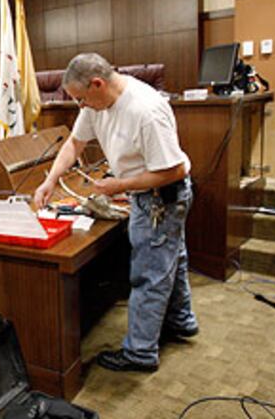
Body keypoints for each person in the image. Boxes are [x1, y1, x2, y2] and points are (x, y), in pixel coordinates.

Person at [34, 53, 198, 372]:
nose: (81, 106)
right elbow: (73, 145)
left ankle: (140, 353)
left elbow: (174, 171)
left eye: (82, 98)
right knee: (170, 259)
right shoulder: (96, 102)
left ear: (98, 83)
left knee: (149, 274)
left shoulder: (145, 110)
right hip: (144, 192)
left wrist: (119, 185)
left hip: (161, 198)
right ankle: (182, 321)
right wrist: (50, 181)